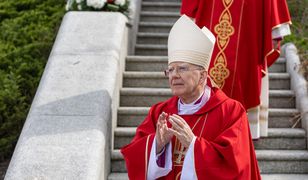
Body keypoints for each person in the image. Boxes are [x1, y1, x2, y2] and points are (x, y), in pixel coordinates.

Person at [121, 15, 261, 180]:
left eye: (182, 68)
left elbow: (236, 165)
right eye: (170, 70)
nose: (174, 76)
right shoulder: (160, 112)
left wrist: (193, 144)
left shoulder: (231, 112)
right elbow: (134, 157)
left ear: (202, 76)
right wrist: (157, 144)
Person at [180, 0, 292, 139]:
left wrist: (275, 30)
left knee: (243, 74)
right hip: (209, 29)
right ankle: (204, 126)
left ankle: (243, 132)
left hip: (247, 33)